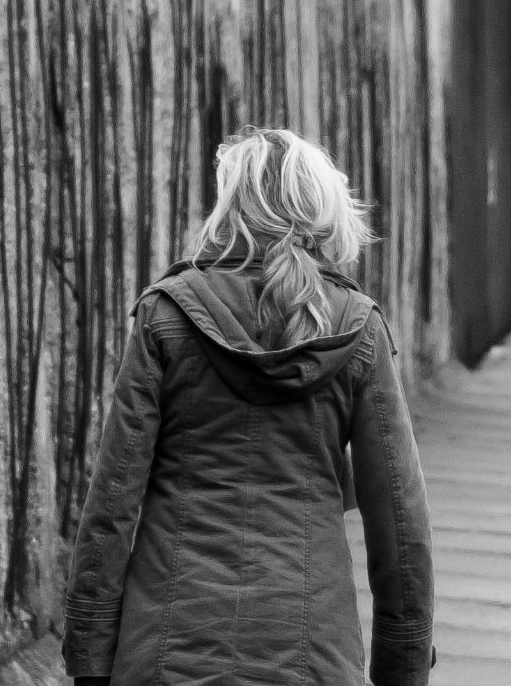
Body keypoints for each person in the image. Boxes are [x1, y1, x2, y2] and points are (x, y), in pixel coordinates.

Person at [62, 128, 435, 686]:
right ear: (322, 211)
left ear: (230, 207)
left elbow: (114, 499)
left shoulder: (168, 315)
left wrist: (90, 656)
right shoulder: (356, 327)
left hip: (168, 648)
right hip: (311, 650)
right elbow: (399, 521)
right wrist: (403, 667)